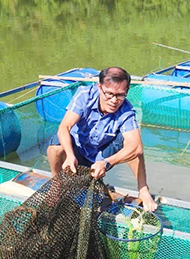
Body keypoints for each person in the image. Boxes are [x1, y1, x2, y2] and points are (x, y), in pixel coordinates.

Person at [47, 66, 158, 212]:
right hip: (77, 151)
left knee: (133, 145)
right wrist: (69, 155)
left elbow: (136, 147)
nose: (114, 100)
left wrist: (106, 163)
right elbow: (64, 127)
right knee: (56, 146)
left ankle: (143, 189)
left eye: (120, 95)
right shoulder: (84, 95)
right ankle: (56, 184)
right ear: (99, 87)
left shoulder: (126, 111)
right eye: (109, 94)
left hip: (101, 157)